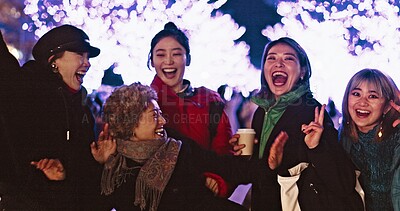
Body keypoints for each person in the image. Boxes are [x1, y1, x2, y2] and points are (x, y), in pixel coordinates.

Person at [230, 37, 363, 210]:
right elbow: (257, 174)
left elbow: (343, 183)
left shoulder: (312, 112)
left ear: (302, 72)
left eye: (288, 58)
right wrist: (244, 156)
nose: (278, 64)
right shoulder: (261, 112)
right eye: (271, 58)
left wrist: (316, 148)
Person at [90, 82, 248, 211]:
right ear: (131, 123)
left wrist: (257, 159)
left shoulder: (175, 144)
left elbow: (224, 165)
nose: (163, 121)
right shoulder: (116, 163)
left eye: (160, 113)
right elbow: (96, 204)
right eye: (154, 116)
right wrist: (101, 165)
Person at [0, 25, 103, 210]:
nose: (87, 63)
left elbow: (85, 180)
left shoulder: (83, 111)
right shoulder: (24, 92)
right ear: (53, 60)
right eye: (80, 55)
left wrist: (100, 161)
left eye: (88, 57)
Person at [148, 22, 232, 156]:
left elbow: (223, 152)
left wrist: (212, 176)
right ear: (152, 61)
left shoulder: (210, 101)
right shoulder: (142, 103)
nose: (168, 61)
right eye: (161, 55)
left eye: (176, 54)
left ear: (188, 59)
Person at [338, 69, 400, 210]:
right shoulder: (344, 136)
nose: (362, 102)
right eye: (356, 94)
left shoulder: (397, 137)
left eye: (372, 96)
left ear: (387, 106)